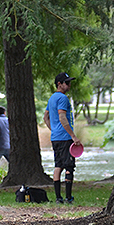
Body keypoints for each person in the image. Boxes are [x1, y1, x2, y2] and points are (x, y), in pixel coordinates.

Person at [43, 72, 81, 204]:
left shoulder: (52, 98)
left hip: (55, 138)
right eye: (67, 82)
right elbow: (62, 117)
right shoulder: (63, 98)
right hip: (65, 138)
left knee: (58, 165)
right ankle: (68, 197)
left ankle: (58, 198)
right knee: (69, 166)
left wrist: (53, 130)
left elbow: (45, 117)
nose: (69, 85)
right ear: (59, 84)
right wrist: (73, 136)